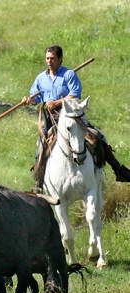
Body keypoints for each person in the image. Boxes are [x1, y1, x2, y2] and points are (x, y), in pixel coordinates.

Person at [22, 44, 130, 193]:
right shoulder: (41, 78)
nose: (49, 61)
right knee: (42, 144)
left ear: (60, 59)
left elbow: (75, 94)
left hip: (71, 112)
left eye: (52, 58)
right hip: (50, 115)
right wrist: (29, 100)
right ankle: (38, 182)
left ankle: (118, 169)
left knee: (96, 135)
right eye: (47, 58)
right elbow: (36, 96)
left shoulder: (69, 75)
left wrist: (57, 102)